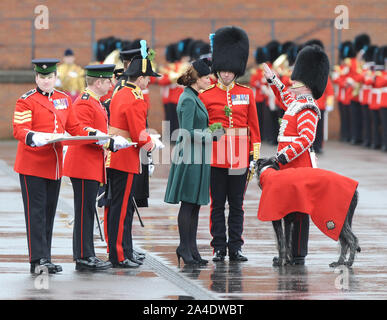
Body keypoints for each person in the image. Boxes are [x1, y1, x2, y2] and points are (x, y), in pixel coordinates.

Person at [13, 59, 100, 274]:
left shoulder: (63, 99)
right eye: (42, 77)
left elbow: (74, 126)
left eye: (50, 77)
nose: (46, 81)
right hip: (32, 165)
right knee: (36, 213)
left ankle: (46, 258)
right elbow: (19, 129)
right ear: (36, 78)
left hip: (53, 165)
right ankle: (37, 261)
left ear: (55, 78)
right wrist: (34, 137)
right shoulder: (26, 101)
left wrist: (93, 134)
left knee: (49, 211)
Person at [263, 44, 330, 265]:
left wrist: (283, 157)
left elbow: (306, 139)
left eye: (296, 80)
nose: (292, 82)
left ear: (306, 83)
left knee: (299, 211)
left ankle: (298, 253)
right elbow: (285, 97)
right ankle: (289, 251)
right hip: (290, 164)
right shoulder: (298, 102)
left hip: (299, 164)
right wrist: (273, 79)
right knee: (288, 208)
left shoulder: (308, 107)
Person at [199, 26, 261, 262]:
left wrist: (253, 155)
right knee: (217, 206)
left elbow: (253, 127)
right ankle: (218, 247)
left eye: (229, 71)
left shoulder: (247, 93)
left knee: (237, 205)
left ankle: (235, 246)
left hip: (239, 156)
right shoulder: (206, 95)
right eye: (222, 70)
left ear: (236, 70)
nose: (226, 74)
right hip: (216, 156)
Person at [63, 64, 132, 271]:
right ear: (98, 82)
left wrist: (110, 140)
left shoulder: (95, 101)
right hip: (83, 164)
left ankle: (86, 254)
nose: (112, 84)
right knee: (84, 211)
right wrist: (107, 141)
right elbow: (83, 131)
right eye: (109, 81)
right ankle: (84, 257)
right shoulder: (85, 103)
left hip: (91, 163)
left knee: (87, 210)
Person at [105, 53, 162, 268]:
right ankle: (119, 255)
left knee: (120, 207)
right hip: (126, 157)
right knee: (121, 209)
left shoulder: (122, 92)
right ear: (140, 78)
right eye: (147, 78)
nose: (148, 82)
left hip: (118, 156)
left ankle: (121, 251)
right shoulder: (134, 97)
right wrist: (152, 144)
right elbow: (138, 134)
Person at [164, 59, 213, 265]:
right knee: (188, 204)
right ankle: (184, 248)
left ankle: (191, 249)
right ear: (197, 79)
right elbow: (186, 131)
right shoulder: (188, 99)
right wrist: (211, 134)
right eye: (206, 77)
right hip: (190, 156)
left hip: (198, 155)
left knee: (194, 205)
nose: (210, 80)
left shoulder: (194, 96)